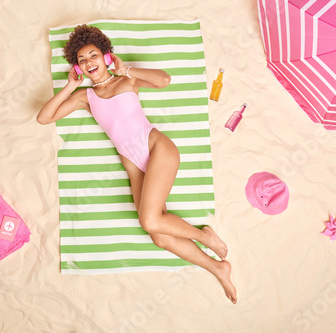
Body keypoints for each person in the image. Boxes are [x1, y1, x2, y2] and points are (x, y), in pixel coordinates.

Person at [37, 25, 237, 304]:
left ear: (106, 56)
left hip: (159, 150)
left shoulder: (126, 82)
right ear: (78, 67)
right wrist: (70, 86)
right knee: (159, 236)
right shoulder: (86, 97)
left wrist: (127, 71)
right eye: (81, 60)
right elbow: (44, 118)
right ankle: (218, 267)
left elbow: (164, 80)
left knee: (149, 220)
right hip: (135, 167)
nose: (88, 63)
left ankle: (205, 237)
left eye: (93, 55)